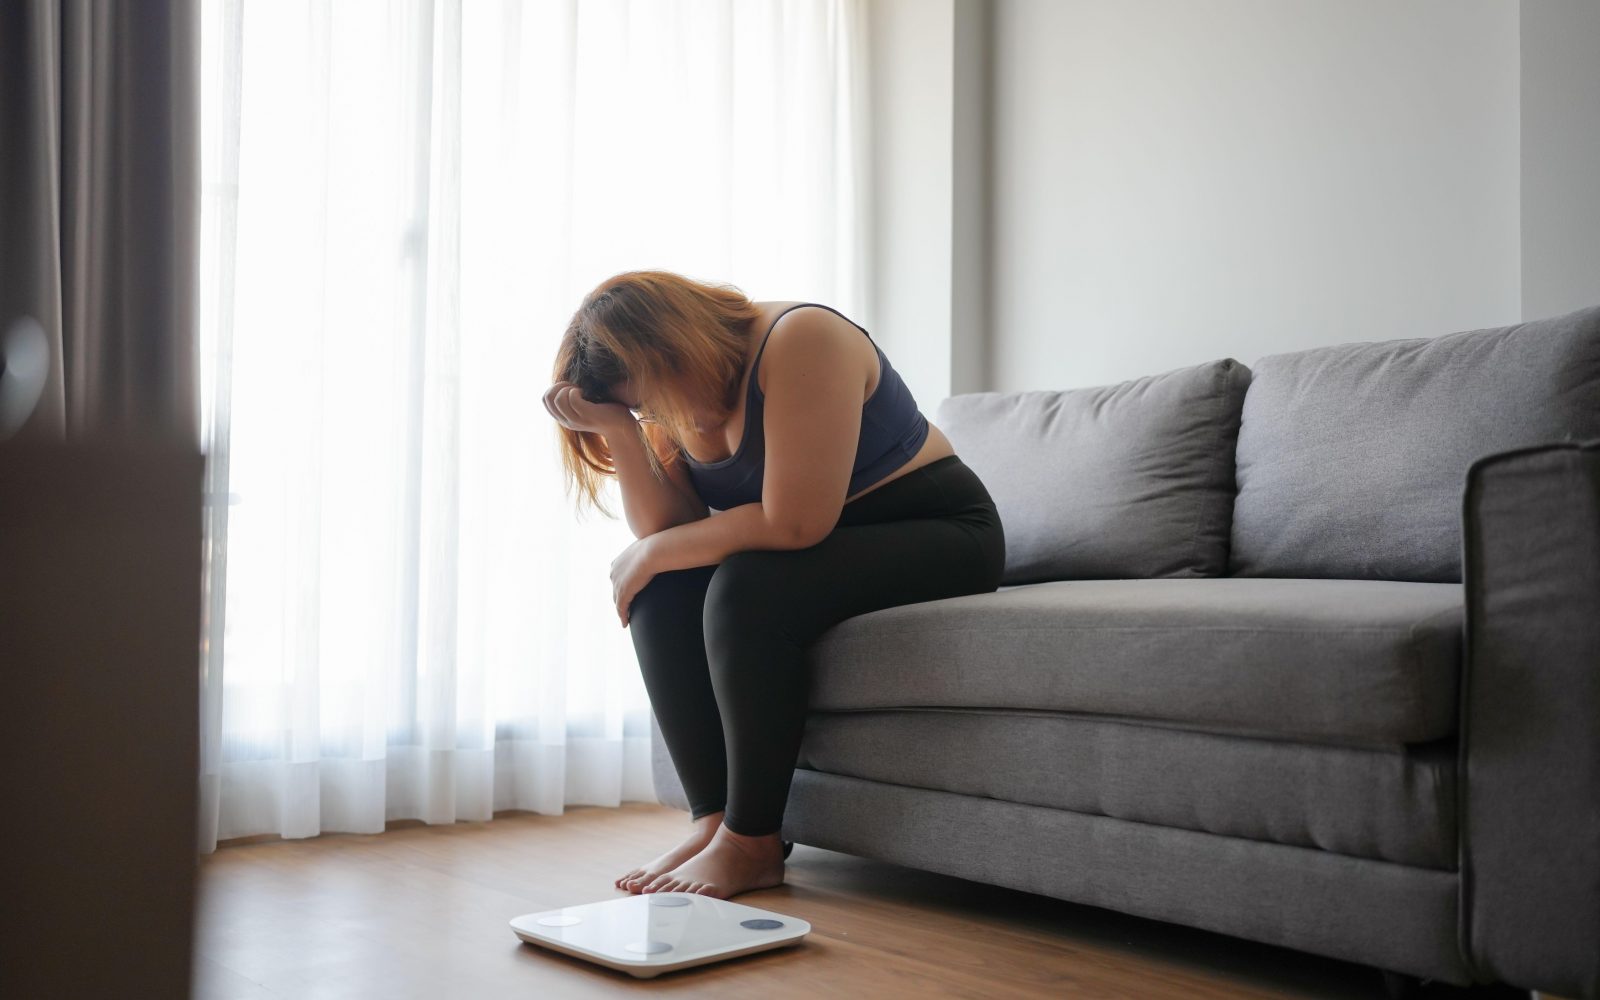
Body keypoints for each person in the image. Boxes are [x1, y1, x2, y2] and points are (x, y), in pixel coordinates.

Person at [542, 270, 1006, 899]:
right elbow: (670, 527)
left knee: (744, 586)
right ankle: (712, 821)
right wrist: (622, 431)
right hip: (829, 545)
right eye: (640, 409)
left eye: (647, 402)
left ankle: (752, 843)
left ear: (677, 347)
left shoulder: (802, 338)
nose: (654, 415)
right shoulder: (666, 395)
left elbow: (794, 522)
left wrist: (648, 552)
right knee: (661, 589)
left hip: (938, 530)